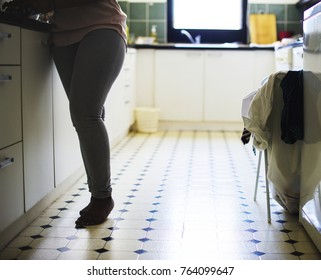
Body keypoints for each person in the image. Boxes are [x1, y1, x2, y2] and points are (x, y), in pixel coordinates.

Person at [24, 0, 127, 227]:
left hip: (102, 27)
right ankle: (100, 193)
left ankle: (101, 197)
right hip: (61, 35)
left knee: (86, 114)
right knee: (86, 115)